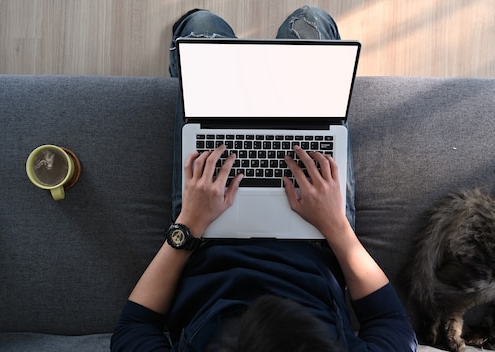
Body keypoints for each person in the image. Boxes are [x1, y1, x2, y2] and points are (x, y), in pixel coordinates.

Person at [111, 6, 417, 352]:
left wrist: (189, 225)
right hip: (318, 234)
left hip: (205, 234)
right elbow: (393, 325)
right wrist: (335, 226)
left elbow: (133, 329)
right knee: (309, 21)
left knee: (202, 28)